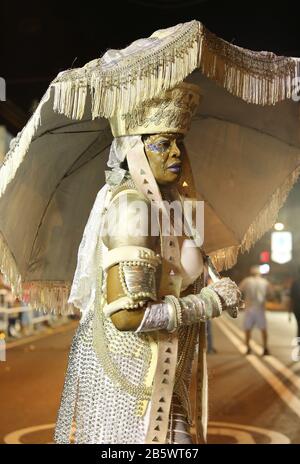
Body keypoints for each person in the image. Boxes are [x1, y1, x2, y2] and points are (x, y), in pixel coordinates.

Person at [54, 83, 242, 444]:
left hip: (162, 381)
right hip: (135, 391)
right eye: (161, 143)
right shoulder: (132, 208)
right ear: (134, 151)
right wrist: (209, 303)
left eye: (178, 142)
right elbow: (127, 316)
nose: (176, 152)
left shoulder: (171, 206)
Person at [239, 266, 273, 356]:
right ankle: (265, 348)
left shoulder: (247, 281)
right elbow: (270, 293)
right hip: (260, 308)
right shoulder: (264, 282)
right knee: (263, 329)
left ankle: (248, 348)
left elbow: (239, 290)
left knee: (247, 329)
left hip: (249, 308)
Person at [289, 268, 300, 345]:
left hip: (297, 308)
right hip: (297, 308)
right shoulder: (295, 283)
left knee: (299, 325)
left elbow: (291, 299)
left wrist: (289, 312)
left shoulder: (295, 283)